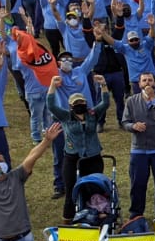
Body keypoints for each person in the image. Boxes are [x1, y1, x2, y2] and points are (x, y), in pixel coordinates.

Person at [47, 75, 109, 224]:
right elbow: (51, 105)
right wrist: (52, 86)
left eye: (81, 102)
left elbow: (105, 103)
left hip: (93, 157)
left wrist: (103, 85)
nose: (79, 104)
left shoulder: (92, 114)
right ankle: (67, 221)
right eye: (76, 103)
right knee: (70, 190)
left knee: (94, 188)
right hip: (72, 158)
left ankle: (95, 218)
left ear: (86, 103)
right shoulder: (65, 116)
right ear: (70, 106)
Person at [121, 71, 155, 219]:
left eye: (150, 80)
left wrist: (153, 99)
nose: (147, 83)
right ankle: (136, 214)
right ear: (139, 84)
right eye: (144, 80)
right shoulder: (131, 101)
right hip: (139, 150)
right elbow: (124, 122)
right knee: (137, 184)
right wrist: (133, 126)